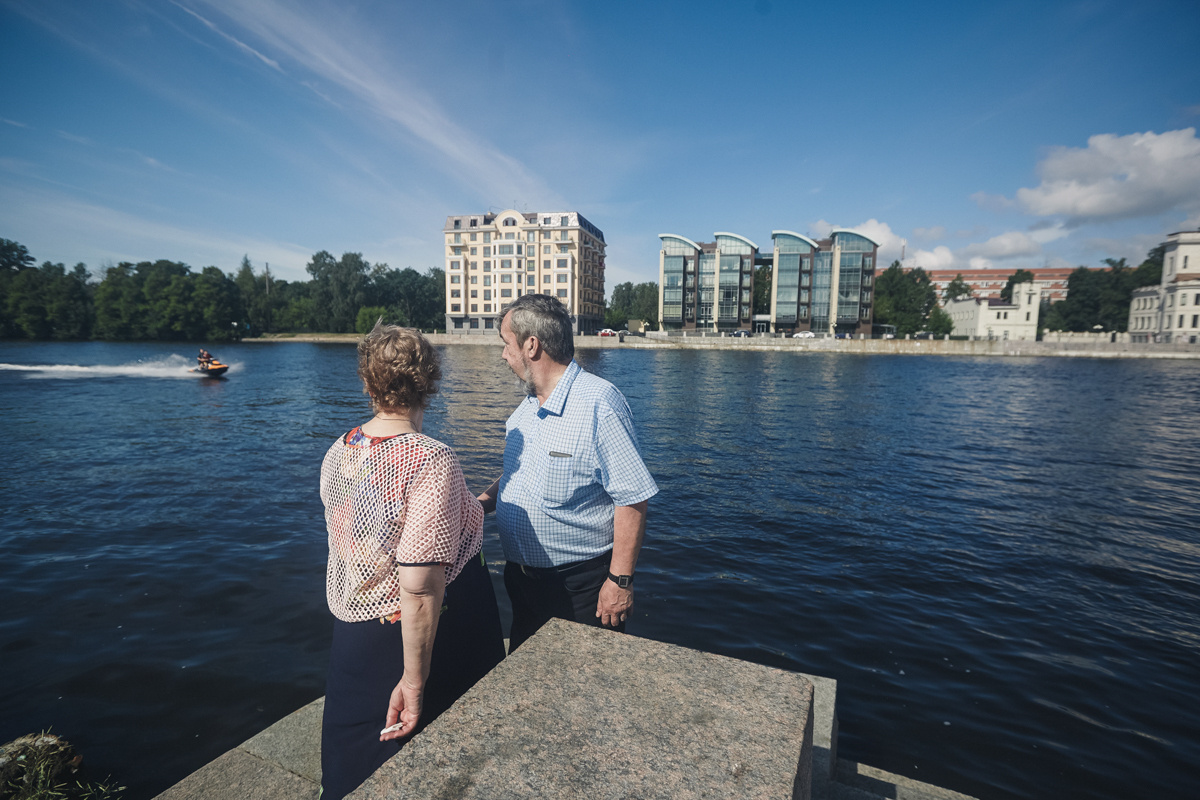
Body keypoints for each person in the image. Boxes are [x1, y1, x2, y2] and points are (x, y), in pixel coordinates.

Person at [319, 323, 505, 800]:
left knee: (355, 753)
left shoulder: (339, 451)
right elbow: (420, 585)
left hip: (357, 629)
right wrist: (414, 679)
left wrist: (476, 504)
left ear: (367, 383)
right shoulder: (430, 458)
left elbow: (376, 533)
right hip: (411, 635)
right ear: (431, 382)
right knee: (417, 750)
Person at [478, 294, 657, 653]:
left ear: (531, 345)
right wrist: (478, 505)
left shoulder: (599, 403)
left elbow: (632, 498)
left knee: (585, 689)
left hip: (579, 587)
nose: (503, 355)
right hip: (524, 583)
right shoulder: (529, 405)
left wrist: (619, 581)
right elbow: (518, 472)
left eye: (505, 344)